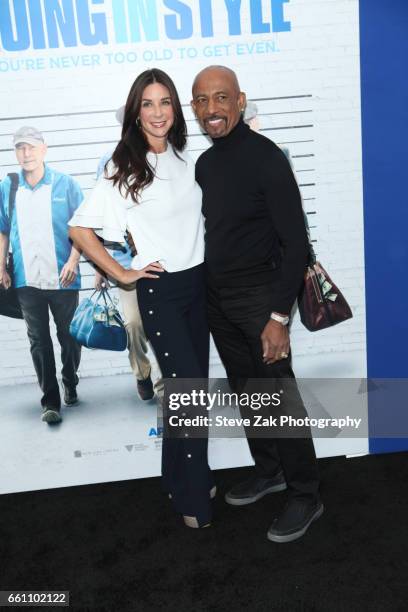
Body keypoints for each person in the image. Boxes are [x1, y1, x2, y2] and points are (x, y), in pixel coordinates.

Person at [68, 68, 214, 528]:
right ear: (135, 112)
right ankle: (194, 499)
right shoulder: (123, 167)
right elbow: (79, 229)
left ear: (177, 108)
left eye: (165, 102)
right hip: (161, 292)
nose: (157, 113)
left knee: (188, 393)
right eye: (147, 104)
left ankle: (179, 476)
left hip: (200, 287)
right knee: (188, 395)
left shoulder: (188, 157)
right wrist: (123, 273)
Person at [191, 65, 322, 542]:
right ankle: (271, 471)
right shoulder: (205, 165)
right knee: (250, 397)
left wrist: (277, 316)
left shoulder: (267, 158)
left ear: (240, 101)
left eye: (221, 98)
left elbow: (296, 243)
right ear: (194, 109)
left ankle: (306, 493)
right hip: (219, 300)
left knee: (280, 400)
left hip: (260, 300)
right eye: (202, 101)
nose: (212, 110)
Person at [0, 126, 83, 424]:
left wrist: (73, 261)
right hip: (25, 280)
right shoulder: (8, 187)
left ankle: (70, 379)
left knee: (69, 337)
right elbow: (3, 231)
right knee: (38, 340)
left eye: (31, 147)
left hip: (64, 278)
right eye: (21, 148)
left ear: (43, 149)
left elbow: (82, 230)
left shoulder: (66, 185)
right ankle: (50, 402)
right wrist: (1, 267)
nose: (26, 153)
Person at [95, 106, 162, 402]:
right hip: (126, 264)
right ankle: (142, 373)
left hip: (162, 261)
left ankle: (164, 388)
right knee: (134, 324)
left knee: (163, 325)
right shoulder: (108, 163)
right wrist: (101, 267)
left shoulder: (163, 159)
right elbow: (98, 217)